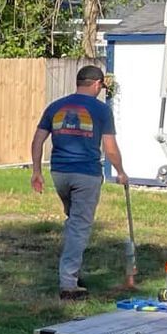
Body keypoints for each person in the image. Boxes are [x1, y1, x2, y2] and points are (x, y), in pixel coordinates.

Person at [30, 63, 127, 300]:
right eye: (101, 86)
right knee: (79, 227)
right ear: (96, 84)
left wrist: (36, 171)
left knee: (74, 222)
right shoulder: (101, 110)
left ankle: (73, 271)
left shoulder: (55, 106)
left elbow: (38, 140)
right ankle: (68, 284)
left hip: (60, 173)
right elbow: (110, 147)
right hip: (86, 174)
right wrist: (121, 171)